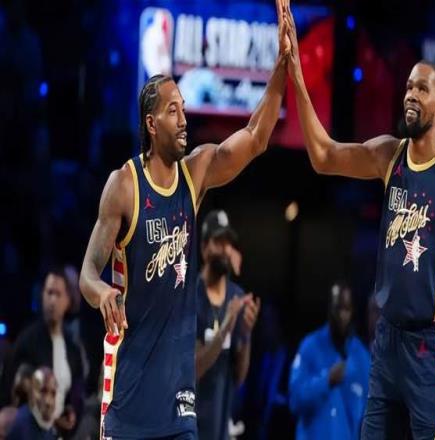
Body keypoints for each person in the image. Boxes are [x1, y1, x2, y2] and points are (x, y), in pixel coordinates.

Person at [78, 1, 290, 437]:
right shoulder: (124, 185)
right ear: (151, 123)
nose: (183, 119)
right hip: (129, 390)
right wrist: (102, 293)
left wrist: (282, 65)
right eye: (173, 110)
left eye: (184, 108)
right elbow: (86, 274)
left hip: (179, 397)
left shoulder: (195, 175)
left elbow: (256, 137)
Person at [282, 2, 435, 438]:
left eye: (422, 89)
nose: (411, 94)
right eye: (409, 86)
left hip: (428, 347)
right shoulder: (388, 155)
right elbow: (322, 156)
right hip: (386, 341)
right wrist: (296, 72)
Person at [195, 210, 260, 440]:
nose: (225, 249)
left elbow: (239, 377)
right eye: (218, 242)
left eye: (228, 243)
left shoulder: (236, 297)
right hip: (190, 429)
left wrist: (246, 335)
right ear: (204, 247)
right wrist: (225, 329)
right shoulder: (190, 296)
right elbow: (194, 369)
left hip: (221, 429)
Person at [1, 268, 83, 435]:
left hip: (60, 433)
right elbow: (11, 391)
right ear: (42, 295)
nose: (52, 300)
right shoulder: (27, 340)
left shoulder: (72, 349)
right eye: (49, 292)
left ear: (68, 300)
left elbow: (76, 394)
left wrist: (71, 412)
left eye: (58, 294)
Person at [289, 283, 371, 439]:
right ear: (329, 309)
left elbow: (369, 417)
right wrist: (326, 380)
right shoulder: (309, 347)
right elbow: (295, 401)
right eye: (337, 308)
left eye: (346, 309)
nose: (341, 315)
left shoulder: (362, 358)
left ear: (352, 312)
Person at [7, 367, 58, 440]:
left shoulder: (51, 430)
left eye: (53, 394)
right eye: (43, 391)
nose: (49, 402)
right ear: (31, 393)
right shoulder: (18, 423)